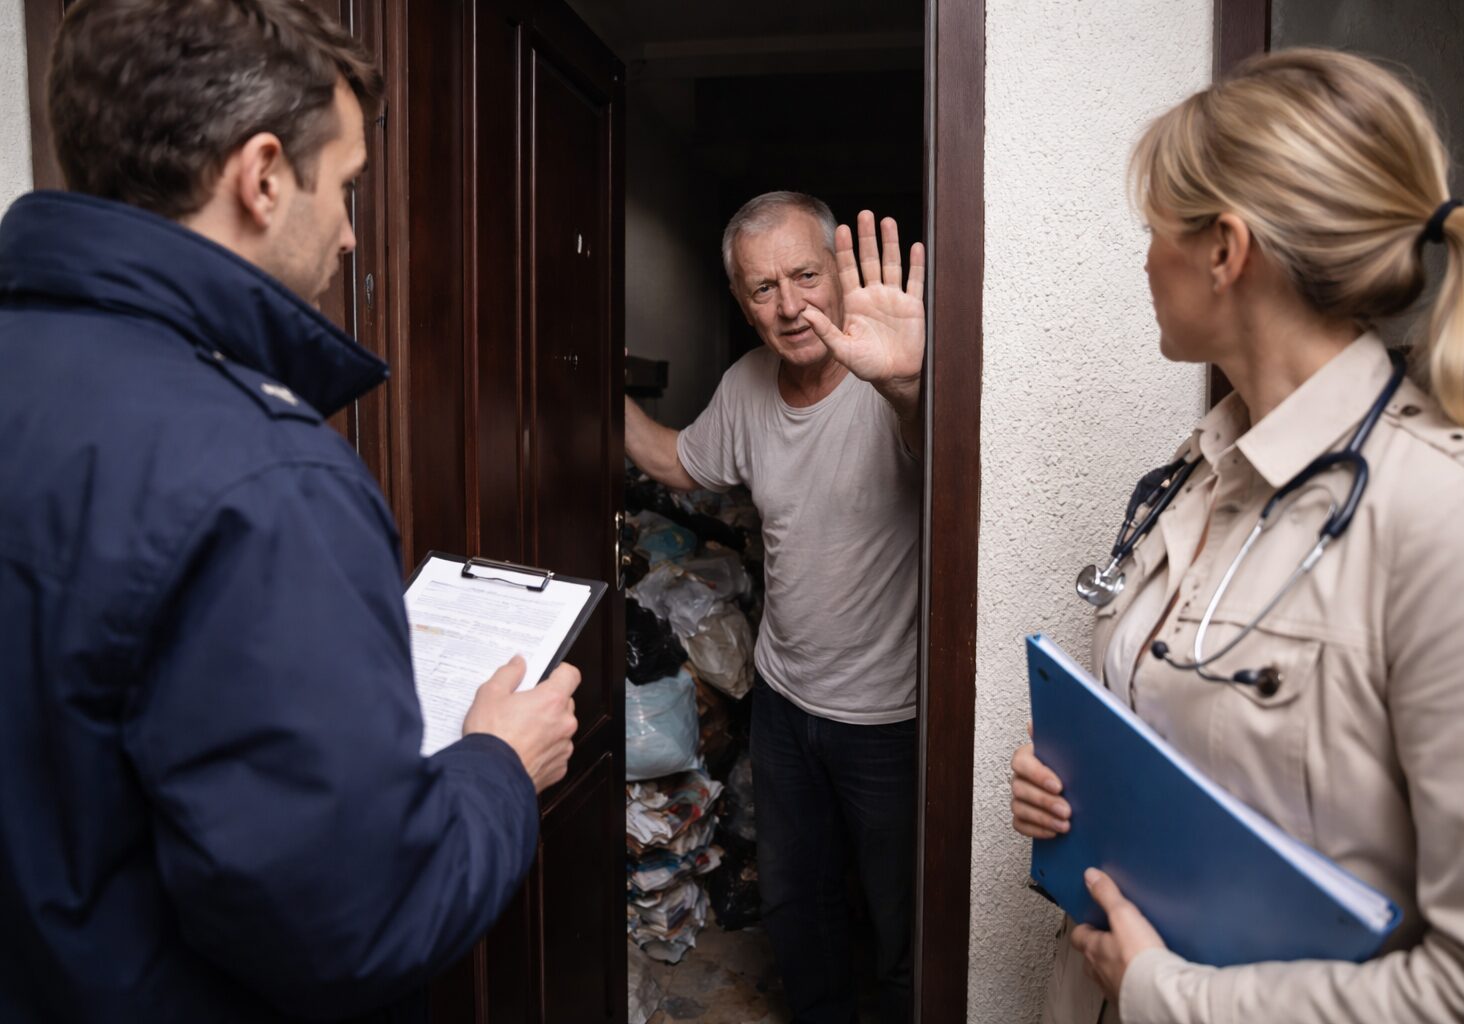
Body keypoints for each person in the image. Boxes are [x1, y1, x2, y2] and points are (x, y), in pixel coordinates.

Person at [0, 1, 580, 1020]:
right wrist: (499, 764)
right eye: (347, 185)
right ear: (263, 176)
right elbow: (358, 917)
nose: (353, 234)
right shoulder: (265, 476)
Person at [1009, 47, 1464, 1023]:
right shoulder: (1197, 473)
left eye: (1155, 230)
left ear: (1224, 250)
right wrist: (1077, 794)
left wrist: (1164, 993)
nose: (1144, 260)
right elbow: (1197, 753)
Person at [624, 191, 925, 1022]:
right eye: (764, 288)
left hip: (887, 716)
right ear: (742, 301)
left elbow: (939, 445)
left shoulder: (891, 378)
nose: (790, 306)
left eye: (805, 276)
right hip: (785, 702)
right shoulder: (747, 385)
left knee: (902, 923)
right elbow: (678, 463)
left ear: (840, 272)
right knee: (797, 904)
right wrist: (590, 381)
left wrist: (907, 385)